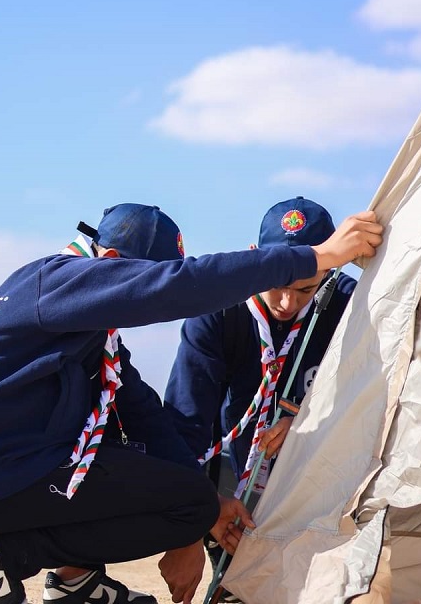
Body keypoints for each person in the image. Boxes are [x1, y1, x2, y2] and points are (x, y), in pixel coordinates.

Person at [0, 202, 383, 604]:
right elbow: (179, 286)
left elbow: (141, 409)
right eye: (143, 278)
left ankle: (76, 583)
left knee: (153, 466)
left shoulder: (82, 322)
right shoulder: (62, 279)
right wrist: (317, 257)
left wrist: (210, 506)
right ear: (114, 263)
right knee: (181, 500)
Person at [163, 197, 359, 597]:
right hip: (231, 492)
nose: (288, 303)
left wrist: (310, 421)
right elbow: (186, 420)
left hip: (318, 490)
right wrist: (193, 522)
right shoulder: (216, 309)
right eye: (277, 284)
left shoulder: (352, 305)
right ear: (254, 260)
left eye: (306, 288)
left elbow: (376, 396)